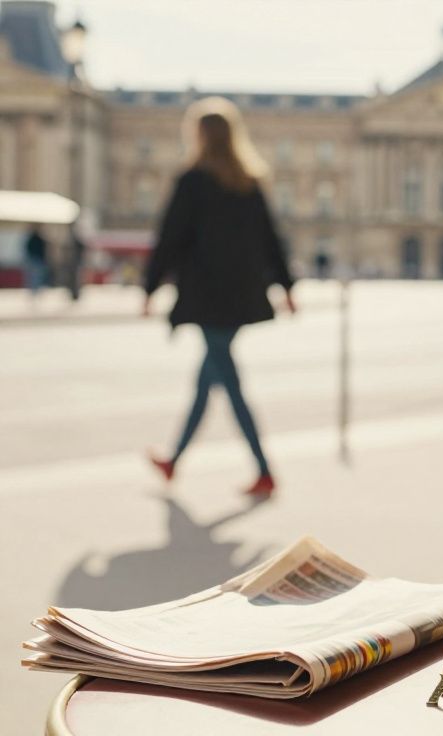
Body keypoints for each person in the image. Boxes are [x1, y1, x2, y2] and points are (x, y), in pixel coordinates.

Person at [142, 96, 295, 497]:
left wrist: (150, 286)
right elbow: (271, 239)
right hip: (242, 295)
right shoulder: (249, 181)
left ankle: (264, 470)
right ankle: (173, 461)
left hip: (207, 296)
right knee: (208, 378)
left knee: (228, 382)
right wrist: (287, 286)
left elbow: (170, 238)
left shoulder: (192, 180)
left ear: (198, 135)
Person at [23, 224, 48, 299]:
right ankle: (35, 290)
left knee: (35, 276)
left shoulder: (35, 239)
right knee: (35, 276)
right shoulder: (36, 239)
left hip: (36, 260)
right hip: (36, 260)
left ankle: (35, 290)